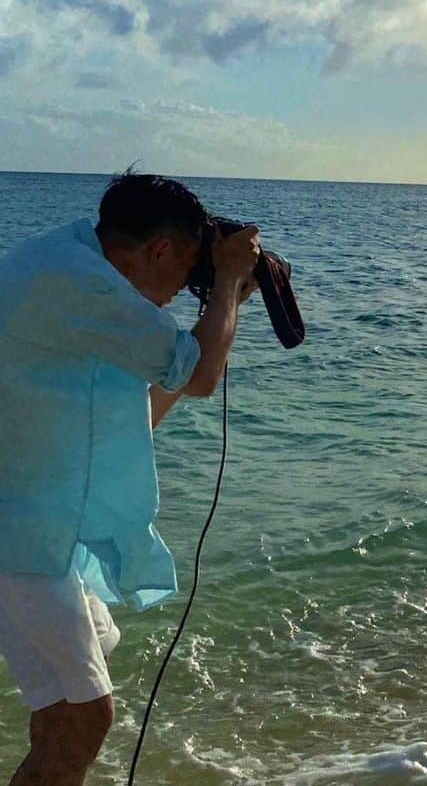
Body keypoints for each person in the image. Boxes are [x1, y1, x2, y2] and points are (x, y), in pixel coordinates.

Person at [0, 171, 260, 785]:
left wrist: (223, 297)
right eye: (184, 274)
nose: (176, 295)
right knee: (86, 715)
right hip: (19, 538)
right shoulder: (81, 284)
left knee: (64, 711)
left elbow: (145, 404)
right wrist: (224, 284)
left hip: (34, 527)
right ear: (160, 250)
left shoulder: (63, 265)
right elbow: (196, 375)